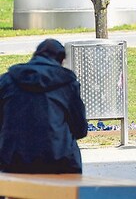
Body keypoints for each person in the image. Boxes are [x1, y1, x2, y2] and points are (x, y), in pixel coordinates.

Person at [0, 39, 88, 173]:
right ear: (61, 60)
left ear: (35, 56)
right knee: (70, 149)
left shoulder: (7, 80)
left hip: (13, 161)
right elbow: (80, 130)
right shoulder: (67, 83)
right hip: (58, 161)